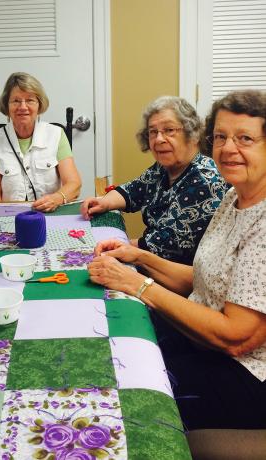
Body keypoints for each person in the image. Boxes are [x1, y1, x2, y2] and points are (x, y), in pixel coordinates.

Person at [88, 89, 266, 431]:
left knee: (122, 394)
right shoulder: (234, 197)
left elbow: (236, 337)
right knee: (108, 345)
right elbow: (203, 279)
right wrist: (139, 256)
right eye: (221, 137)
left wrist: (138, 283)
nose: (229, 148)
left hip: (246, 372)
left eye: (245, 138)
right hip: (202, 337)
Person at [81, 96, 229, 265]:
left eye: (169, 130)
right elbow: (133, 190)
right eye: (153, 132)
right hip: (153, 261)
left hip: (180, 276)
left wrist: (114, 247)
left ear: (192, 134)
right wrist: (104, 203)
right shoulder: (164, 167)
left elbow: (167, 245)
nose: (159, 139)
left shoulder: (206, 179)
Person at [0, 72, 81, 212]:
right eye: (16, 101)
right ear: (7, 106)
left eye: (30, 100)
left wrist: (56, 199)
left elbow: (74, 184)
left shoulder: (56, 135)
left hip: (51, 214)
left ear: (39, 105)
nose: (23, 107)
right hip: (11, 218)